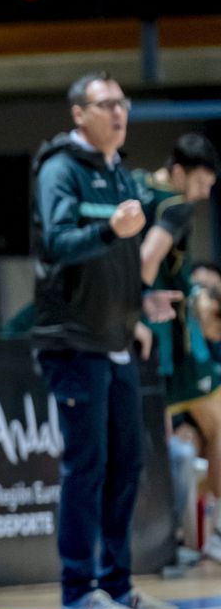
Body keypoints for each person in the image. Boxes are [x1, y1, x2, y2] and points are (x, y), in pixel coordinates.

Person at [32, 72, 180, 609]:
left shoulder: (120, 173)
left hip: (116, 340)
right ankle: (77, 592)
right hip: (73, 342)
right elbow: (56, 241)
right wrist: (107, 232)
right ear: (79, 114)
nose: (119, 112)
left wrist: (142, 300)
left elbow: (118, 259)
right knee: (86, 466)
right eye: (107, 104)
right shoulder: (60, 169)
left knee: (129, 464)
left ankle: (118, 586)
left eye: (124, 102)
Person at [136, 135, 221, 502]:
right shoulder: (176, 207)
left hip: (139, 332)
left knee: (165, 437)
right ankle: (216, 536)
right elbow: (146, 259)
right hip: (171, 335)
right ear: (178, 173)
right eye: (200, 184)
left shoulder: (137, 187)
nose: (202, 194)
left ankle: (174, 536)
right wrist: (136, 298)